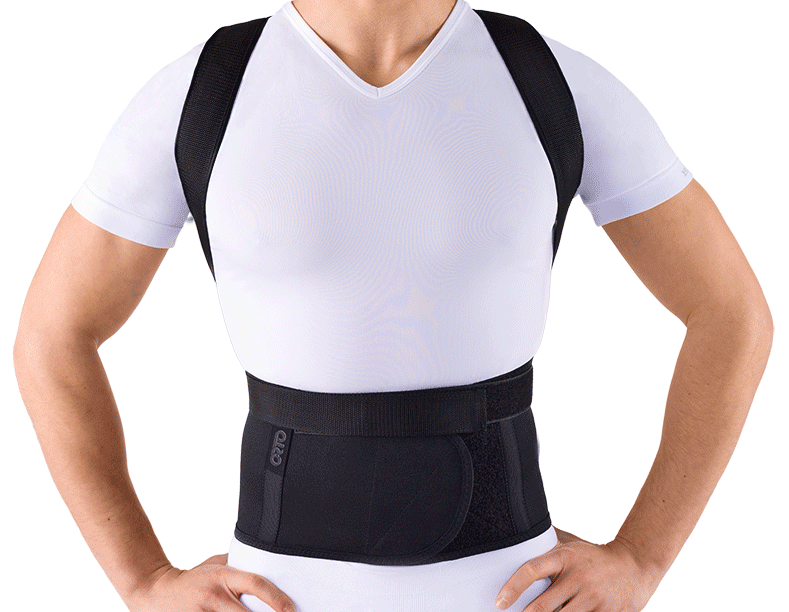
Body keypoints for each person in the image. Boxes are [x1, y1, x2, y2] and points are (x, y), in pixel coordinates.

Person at [13, 1, 773, 611]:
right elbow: (50, 335)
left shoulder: (551, 81)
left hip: (513, 593)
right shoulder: (201, 93)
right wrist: (142, 581)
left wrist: (643, 557)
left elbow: (733, 313)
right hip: (277, 596)